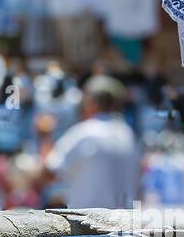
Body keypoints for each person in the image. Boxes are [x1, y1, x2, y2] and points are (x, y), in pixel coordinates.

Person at [41, 75, 141, 209]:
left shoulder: (84, 132)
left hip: (89, 225)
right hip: (125, 223)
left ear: (92, 103)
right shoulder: (129, 135)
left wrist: (45, 136)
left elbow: (49, 172)